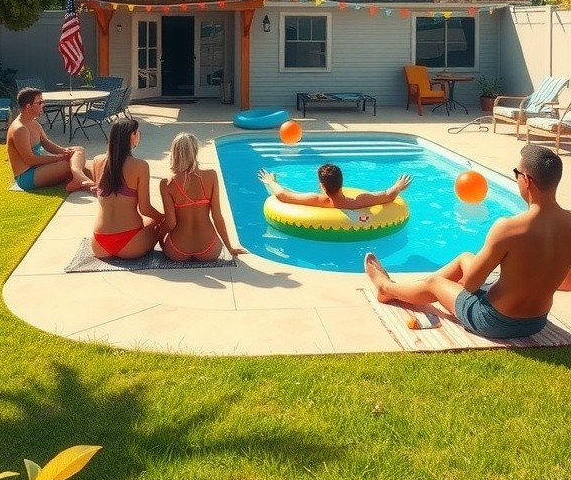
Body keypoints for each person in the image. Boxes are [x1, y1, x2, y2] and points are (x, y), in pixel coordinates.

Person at [365, 143, 571, 340]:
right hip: (536, 322)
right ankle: (414, 289)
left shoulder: (509, 227)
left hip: (493, 321)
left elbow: (471, 284)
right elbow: (567, 283)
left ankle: (386, 288)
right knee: (465, 258)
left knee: (435, 283)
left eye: (516, 174)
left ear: (526, 180)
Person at [160, 133, 246, 261]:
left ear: (174, 153)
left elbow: (171, 223)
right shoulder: (211, 176)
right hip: (209, 248)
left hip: (177, 249)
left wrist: (158, 236)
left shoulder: (167, 184)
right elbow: (217, 216)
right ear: (195, 151)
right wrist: (230, 247)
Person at [90, 117, 164, 259]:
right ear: (132, 135)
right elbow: (145, 209)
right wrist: (164, 218)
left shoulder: (97, 161)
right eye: (138, 133)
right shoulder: (140, 166)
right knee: (155, 223)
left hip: (99, 243)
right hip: (130, 243)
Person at [7, 87, 94, 191]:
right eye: (39, 103)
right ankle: (79, 176)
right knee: (68, 164)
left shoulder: (33, 122)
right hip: (27, 176)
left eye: (43, 102)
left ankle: (78, 177)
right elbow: (30, 160)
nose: (43, 105)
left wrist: (64, 151)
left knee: (78, 150)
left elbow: (45, 142)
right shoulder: (20, 129)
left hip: (39, 167)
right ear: (28, 106)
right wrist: (59, 158)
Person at [258, 162, 412, 209]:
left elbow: (283, 196)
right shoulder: (359, 201)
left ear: (322, 186)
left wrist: (271, 181)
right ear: (342, 182)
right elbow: (388, 195)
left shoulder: (316, 200)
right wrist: (398, 186)